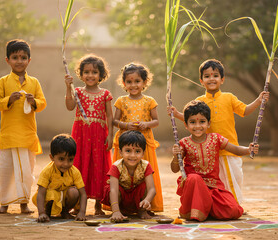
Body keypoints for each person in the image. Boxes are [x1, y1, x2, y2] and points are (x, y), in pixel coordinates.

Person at [169, 59, 268, 204]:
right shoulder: (200, 100)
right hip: (210, 152)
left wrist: (259, 101)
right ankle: (224, 205)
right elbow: (191, 119)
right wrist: (176, 113)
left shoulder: (229, 97)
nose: (211, 79)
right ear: (201, 80)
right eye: (207, 76)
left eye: (215, 75)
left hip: (230, 149)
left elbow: (245, 111)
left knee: (234, 179)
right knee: (219, 182)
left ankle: (235, 205)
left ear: (222, 79)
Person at [171, 100, 259, 222]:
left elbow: (235, 149)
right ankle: (192, 211)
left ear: (208, 123)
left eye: (202, 121)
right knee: (194, 178)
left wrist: (248, 149)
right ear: (186, 125)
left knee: (233, 210)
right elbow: (175, 169)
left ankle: (205, 209)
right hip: (193, 187)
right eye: (192, 122)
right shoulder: (183, 143)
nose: (197, 126)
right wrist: (176, 156)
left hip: (214, 187)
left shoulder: (215, 138)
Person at [0, 39, 47, 214]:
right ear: (7, 60)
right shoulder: (3, 81)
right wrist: (9, 100)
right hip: (8, 136)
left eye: (23, 57)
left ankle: (24, 203)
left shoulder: (34, 82)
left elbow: (43, 103)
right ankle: (4, 204)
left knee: (26, 173)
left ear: (29, 60)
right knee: (7, 172)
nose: (19, 61)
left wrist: (34, 101)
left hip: (27, 136)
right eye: (15, 57)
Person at [64, 54, 113, 215]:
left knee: (99, 165)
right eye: (86, 72)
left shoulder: (105, 94)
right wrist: (67, 87)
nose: (90, 75)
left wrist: (111, 135)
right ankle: (77, 203)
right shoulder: (77, 91)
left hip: (99, 135)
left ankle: (98, 205)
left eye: (94, 72)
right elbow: (70, 107)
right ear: (81, 74)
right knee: (80, 164)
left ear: (101, 75)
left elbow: (109, 116)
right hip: (81, 135)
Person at [111, 62, 163, 213]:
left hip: (144, 143)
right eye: (129, 81)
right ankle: (121, 204)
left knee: (144, 173)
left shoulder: (150, 101)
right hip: (125, 141)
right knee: (123, 174)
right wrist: (126, 126)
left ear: (145, 82)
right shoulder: (121, 101)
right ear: (124, 83)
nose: (133, 85)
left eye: (137, 81)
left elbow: (156, 121)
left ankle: (146, 205)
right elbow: (114, 121)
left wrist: (146, 124)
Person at [101, 130, 156, 221]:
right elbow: (114, 190)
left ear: (143, 153)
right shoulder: (116, 166)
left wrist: (147, 200)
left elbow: (152, 189)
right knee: (111, 188)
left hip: (137, 201)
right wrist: (115, 211)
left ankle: (142, 211)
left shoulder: (146, 165)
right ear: (120, 152)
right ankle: (118, 211)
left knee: (143, 186)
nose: (133, 155)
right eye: (128, 151)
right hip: (120, 200)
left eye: (137, 151)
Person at [32, 134, 87, 222]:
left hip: (64, 199)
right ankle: (46, 213)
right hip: (49, 199)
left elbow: (83, 194)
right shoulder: (47, 171)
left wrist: (82, 212)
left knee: (74, 192)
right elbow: (41, 193)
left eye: (70, 159)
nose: (66, 164)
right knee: (51, 194)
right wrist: (41, 212)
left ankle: (65, 212)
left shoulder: (75, 172)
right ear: (52, 158)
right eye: (61, 159)